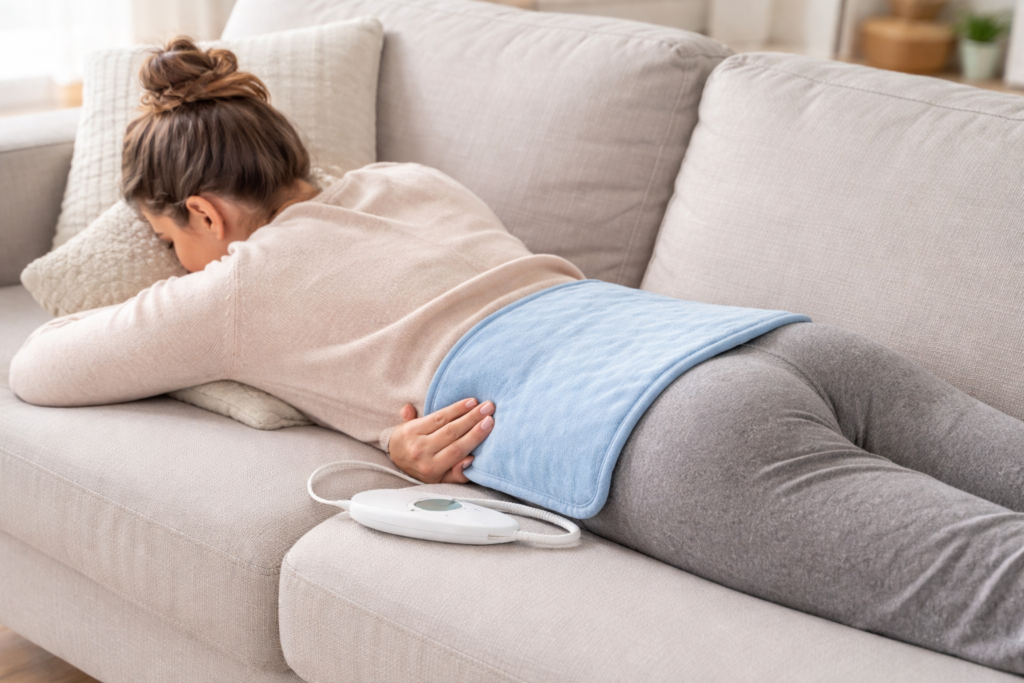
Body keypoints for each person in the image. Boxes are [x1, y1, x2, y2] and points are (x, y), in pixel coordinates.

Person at [10, 39, 1024, 675]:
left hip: (674, 434)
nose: (170, 263)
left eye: (166, 241)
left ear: (202, 212)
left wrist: (190, 290)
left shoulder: (233, 286)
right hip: (772, 339)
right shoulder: (409, 182)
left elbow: (39, 369)